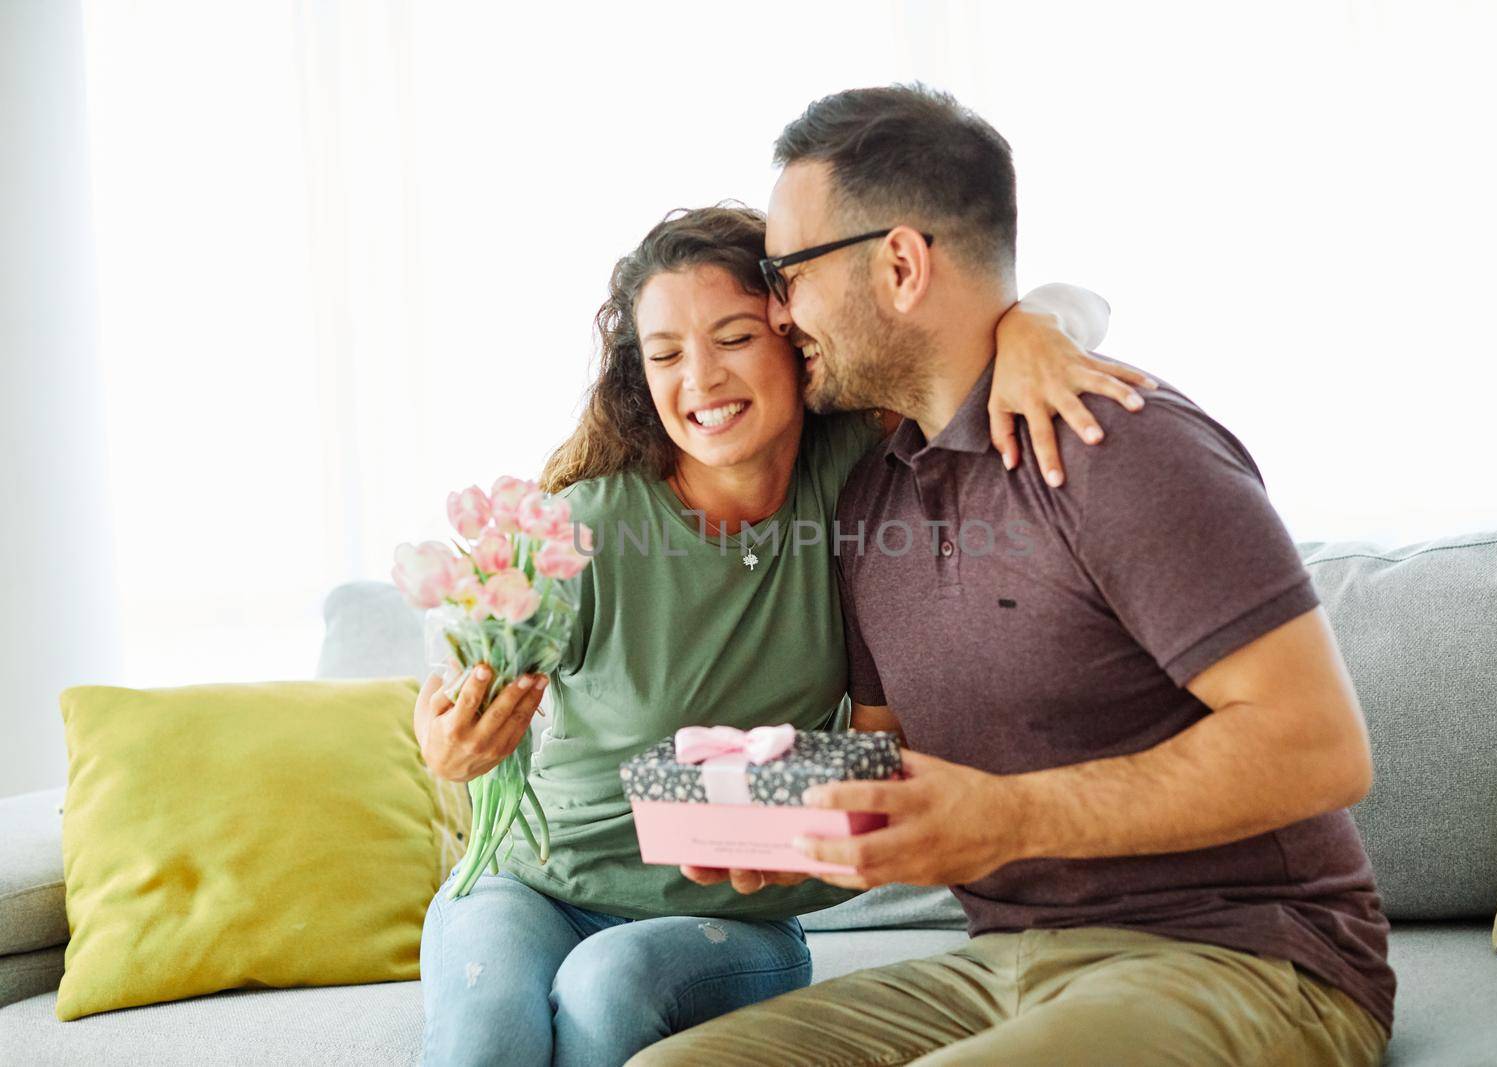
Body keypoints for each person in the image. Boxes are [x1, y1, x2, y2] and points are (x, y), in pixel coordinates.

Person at [632, 85, 1395, 1067]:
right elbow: (885, 762)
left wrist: (1013, 814)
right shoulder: (873, 496)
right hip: (1003, 960)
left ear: (900, 264)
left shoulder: (1120, 445)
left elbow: (1320, 748)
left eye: (786, 275)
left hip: (1246, 957)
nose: (775, 313)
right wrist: (769, 815)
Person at [412, 202, 1159, 1066]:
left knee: (607, 988)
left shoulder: (858, 471)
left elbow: (1062, 310)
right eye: (664, 355)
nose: (699, 379)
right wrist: (447, 741)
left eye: (732, 337)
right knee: (487, 1035)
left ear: (792, 337)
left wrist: (1032, 327)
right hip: (534, 887)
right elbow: (458, 683)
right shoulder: (584, 529)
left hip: (730, 917)